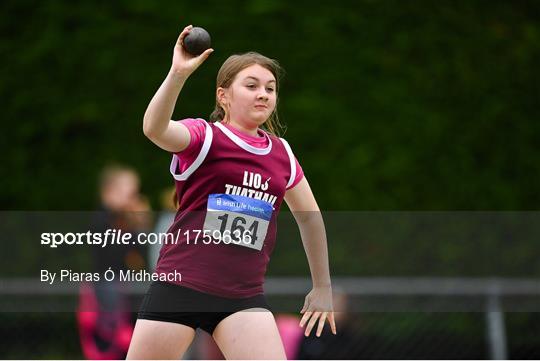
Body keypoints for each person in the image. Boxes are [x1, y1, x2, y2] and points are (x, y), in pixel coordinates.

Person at [127, 24, 336, 360]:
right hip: (181, 286)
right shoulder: (204, 137)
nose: (263, 94)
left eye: (270, 88)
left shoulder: (281, 152)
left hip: (241, 298)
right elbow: (154, 129)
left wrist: (322, 286)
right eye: (251, 86)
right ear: (223, 95)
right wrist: (178, 74)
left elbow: (310, 219)